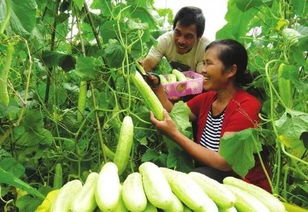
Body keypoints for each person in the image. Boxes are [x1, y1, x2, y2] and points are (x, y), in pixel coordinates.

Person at [149, 39, 271, 192]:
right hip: (210, 177)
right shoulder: (208, 98)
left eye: (208, 63)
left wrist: (174, 134)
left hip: (243, 186)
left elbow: (223, 162)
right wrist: (157, 87)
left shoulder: (246, 106)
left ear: (230, 71)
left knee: (195, 178)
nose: (202, 70)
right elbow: (174, 114)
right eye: (203, 63)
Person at [141, 6, 211, 73]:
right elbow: (147, 65)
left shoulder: (206, 49)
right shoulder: (165, 40)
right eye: (178, 33)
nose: (181, 41)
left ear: (199, 37)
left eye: (188, 36)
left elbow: (202, 79)